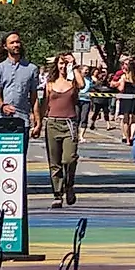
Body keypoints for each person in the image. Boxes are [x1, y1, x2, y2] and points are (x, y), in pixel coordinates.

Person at [36, 52, 84, 207]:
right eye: (61, 63)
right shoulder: (50, 84)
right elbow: (44, 105)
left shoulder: (73, 83)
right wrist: (38, 124)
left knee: (69, 159)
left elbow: (82, 85)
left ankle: (69, 185)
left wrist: (74, 66)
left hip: (69, 124)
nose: (63, 67)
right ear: (56, 65)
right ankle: (57, 193)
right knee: (54, 162)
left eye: (66, 64)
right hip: (52, 123)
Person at [0, 32, 40, 139]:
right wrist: (3, 106)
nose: (16, 45)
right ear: (5, 46)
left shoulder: (31, 69)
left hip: (22, 120)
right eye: (12, 43)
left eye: (17, 42)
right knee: (1, 155)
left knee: (21, 155)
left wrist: (37, 121)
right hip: (1, 119)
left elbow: (34, 98)